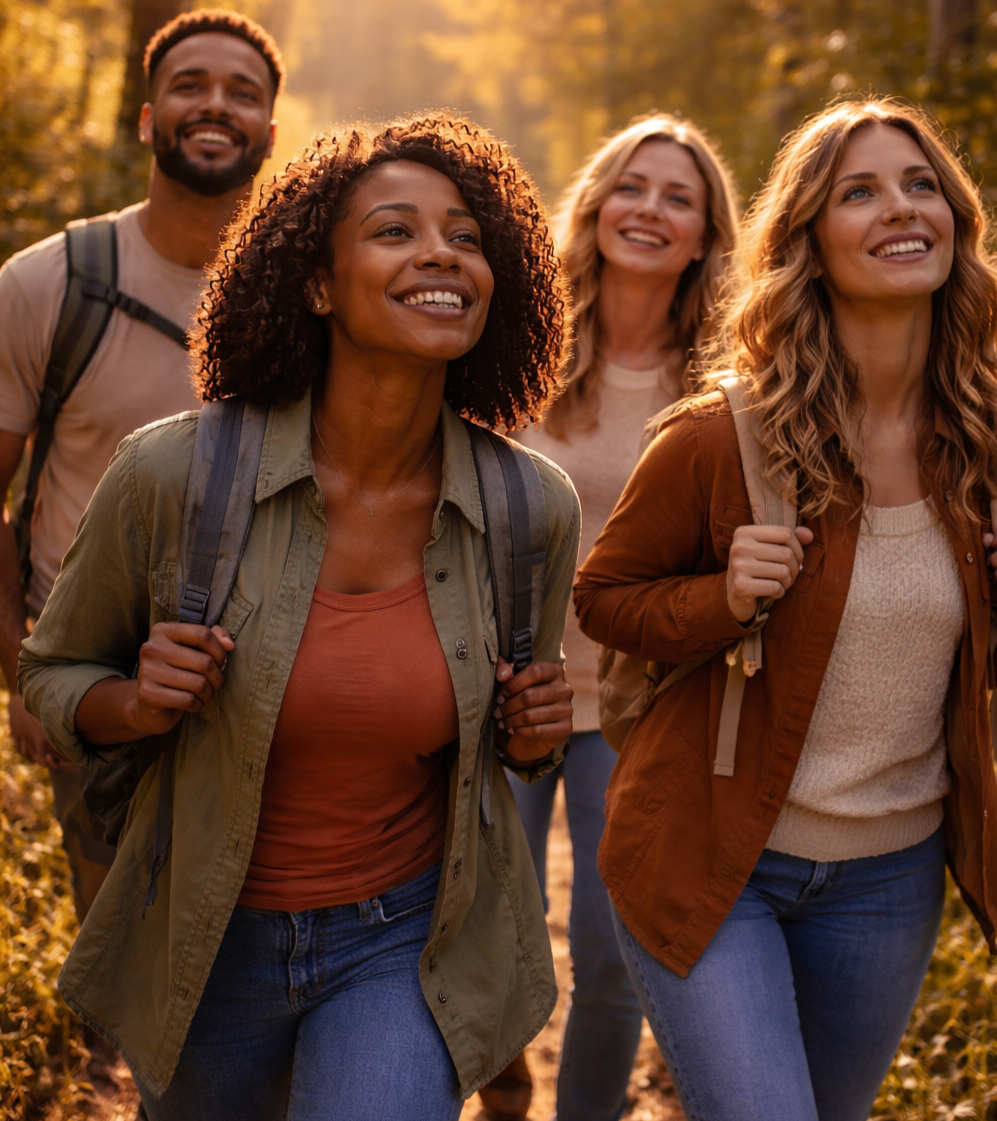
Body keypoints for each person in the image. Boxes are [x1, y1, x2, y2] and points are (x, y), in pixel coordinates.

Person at [19, 114, 580, 1121]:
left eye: (464, 235)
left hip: (401, 938)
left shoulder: (527, 508)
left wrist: (532, 738)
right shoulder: (173, 473)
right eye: (396, 231)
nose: (441, 254)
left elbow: (510, 739)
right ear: (317, 285)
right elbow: (52, 682)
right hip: (208, 939)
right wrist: (137, 701)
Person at [574, 98, 997, 1121]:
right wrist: (724, 597)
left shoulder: (993, 445)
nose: (899, 208)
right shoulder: (715, 439)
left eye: (920, 186)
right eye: (857, 191)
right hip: (711, 854)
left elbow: (961, 660)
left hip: (887, 884)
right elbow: (606, 601)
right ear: (807, 242)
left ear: (954, 222)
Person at [482, 115, 738, 1121]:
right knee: (480, 926)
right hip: (503, 689)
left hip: (639, 707)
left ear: (705, 237)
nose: (650, 209)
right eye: (632, 187)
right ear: (594, 207)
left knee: (609, 954)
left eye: (679, 197)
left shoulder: (726, 379)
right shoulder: (518, 343)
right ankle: (502, 1076)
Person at [0, 8, 282, 920]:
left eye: (243, 93)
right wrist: (26, 674)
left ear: (270, 131)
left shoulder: (307, 296)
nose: (215, 105)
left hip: (271, 679)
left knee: (261, 957)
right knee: (124, 947)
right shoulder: (49, 284)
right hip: (100, 683)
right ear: (146, 114)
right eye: (190, 84)